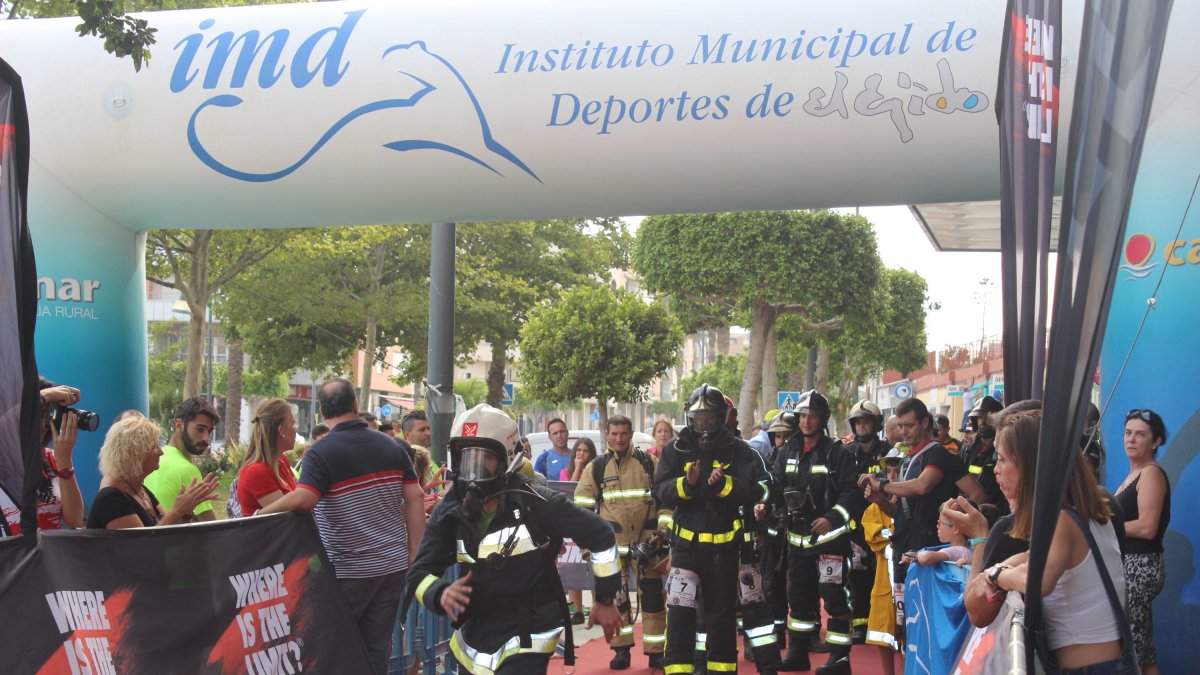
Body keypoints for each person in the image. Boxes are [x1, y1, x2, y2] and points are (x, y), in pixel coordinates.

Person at [407, 404, 622, 674]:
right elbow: (419, 573)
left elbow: (601, 535)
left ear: (507, 459)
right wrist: (440, 593)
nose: (473, 468)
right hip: (476, 631)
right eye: (466, 457)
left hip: (529, 629)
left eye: (484, 458)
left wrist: (604, 598)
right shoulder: (450, 511)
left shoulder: (538, 502)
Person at [258, 378, 425, 675]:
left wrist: (262, 515)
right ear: (355, 404)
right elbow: (415, 499)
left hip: (348, 570)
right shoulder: (392, 446)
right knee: (375, 650)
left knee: (332, 649)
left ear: (322, 410)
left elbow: (306, 498)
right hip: (391, 567)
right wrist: (414, 552)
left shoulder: (321, 453)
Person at [977, 408, 1129, 674]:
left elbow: (1038, 581)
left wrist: (996, 574)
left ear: (1029, 463)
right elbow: (1039, 561)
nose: (996, 470)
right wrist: (1010, 565)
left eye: (1002, 460)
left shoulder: (1061, 520)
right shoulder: (1086, 513)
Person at [655, 384, 766, 675]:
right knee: (679, 614)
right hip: (685, 550)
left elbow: (752, 490)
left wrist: (723, 485)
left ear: (723, 417)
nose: (704, 423)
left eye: (711, 417)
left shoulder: (740, 450)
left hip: (724, 549)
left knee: (721, 615)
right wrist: (688, 484)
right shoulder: (675, 449)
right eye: (699, 417)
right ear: (690, 418)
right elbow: (663, 491)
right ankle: (678, 670)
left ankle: (721, 671)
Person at [858, 397, 984, 619]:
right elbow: (898, 510)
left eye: (909, 425)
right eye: (900, 426)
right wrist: (879, 499)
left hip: (930, 544)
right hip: (904, 542)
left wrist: (883, 484)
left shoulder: (937, 454)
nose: (903, 432)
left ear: (925, 422)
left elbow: (924, 486)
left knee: (926, 614)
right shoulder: (907, 458)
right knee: (905, 615)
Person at [769, 390, 858, 674]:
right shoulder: (787, 451)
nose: (806, 422)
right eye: (802, 416)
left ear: (823, 419)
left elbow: (851, 494)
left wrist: (832, 518)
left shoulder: (837, 453)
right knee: (799, 599)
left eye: (812, 416)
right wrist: (767, 506)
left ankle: (839, 659)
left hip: (830, 542)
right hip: (797, 542)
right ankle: (797, 652)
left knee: (833, 598)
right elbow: (776, 487)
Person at [574, 415, 667, 670]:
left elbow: (666, 502)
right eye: (614, 434)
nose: (618, 439)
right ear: (607, 434)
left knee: (653, 601)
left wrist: (663, 533)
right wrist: (587, 548)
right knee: (617, 601)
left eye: (623, 434)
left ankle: (656, 651)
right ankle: (621, 650)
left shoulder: (649, 463)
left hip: (648, 548)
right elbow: (581, 510)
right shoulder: (597, 467)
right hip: (612, 550)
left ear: (632, 433)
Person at [1115, 408, 1171, 675]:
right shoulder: (1133, 475)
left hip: (1140, 567)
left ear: (1156, 441)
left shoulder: (1150, 473)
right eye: (1128, 433)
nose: (1131, 439)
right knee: (1141, 648)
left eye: (1140, 434)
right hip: (1129, 565)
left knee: (1135, 649)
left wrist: (1107, 527)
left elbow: (1148, 527)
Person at [87, 417, 218, 529]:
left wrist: (186, 512)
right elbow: (145, 546)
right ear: (134, 453)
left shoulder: (142, 491)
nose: (161, 452)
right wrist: (176, 511)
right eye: (154, 446)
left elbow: (170, 538)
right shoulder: (111, 499)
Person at [1, 381, 86, 535]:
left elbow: (75, 519)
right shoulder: (4, 455)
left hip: (45, 556)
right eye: (37, 412)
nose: (41, 422)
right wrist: (44, 396)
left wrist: (64, 460)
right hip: (11, 556)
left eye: (47, 413)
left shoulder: (50, 457)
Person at [843, 399, 891, 645]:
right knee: (857, 576)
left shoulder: (889, 451)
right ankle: (860, 624)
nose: (862, 426)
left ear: (876, 424)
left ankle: (886, 623)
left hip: (883, 523)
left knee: (883, 574)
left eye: (866, 421)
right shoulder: (846, 452)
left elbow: (896, 479)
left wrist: (877, 478)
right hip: (856, 526)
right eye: (858, 422)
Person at [144, 396, 220, 522]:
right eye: (200, 429)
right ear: (179, 424)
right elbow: (212, 527)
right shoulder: (187, 470)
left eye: (209, 431)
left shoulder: (154, 461)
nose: (206, 438)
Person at [862, 449, 903, 675]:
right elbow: (874, 537)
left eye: (899, 470)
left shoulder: (915, 505)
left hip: (908, 577)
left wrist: (892, 532)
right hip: (884, 581)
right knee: (883, 634)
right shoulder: (874, 509)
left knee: (910, 633)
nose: (894, 475)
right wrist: (895, 533)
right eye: (890, 470)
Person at [236, 398, 298, 515]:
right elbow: (290, 515)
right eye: (293, 423)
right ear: (281, 430)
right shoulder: (256, 472)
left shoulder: (282, 461)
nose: (296, 428)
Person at [957, 395, 1006, 511]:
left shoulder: (1002, 451)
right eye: (979, 417)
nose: (983, 422)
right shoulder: (966, 450)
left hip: (995, 510)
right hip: (967, 508)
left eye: (987, 418)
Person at [915, 499, 975, 567]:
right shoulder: (973, 549)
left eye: (940, 523)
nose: (937, 526)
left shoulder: (957, 550)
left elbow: (926, 558)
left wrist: (915, 555)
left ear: (955, 529)